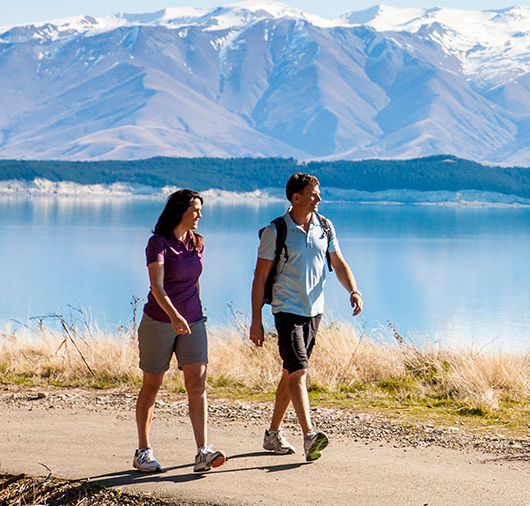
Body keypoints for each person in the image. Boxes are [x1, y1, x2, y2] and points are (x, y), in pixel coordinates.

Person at [250, 172, 362, 461]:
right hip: (286, 309)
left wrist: (353, 290)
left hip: (315, 311)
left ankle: (272, 434)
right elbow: (260, 277)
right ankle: (309, 434)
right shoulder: (276, 231)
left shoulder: (325, 226)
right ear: (296, 197)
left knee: (290, 372)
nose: (319, 198)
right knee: (299, 371)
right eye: (314, 193)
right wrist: (256, 321)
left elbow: (337, 262)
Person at [133, 189, 227, 473]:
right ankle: (143, 452)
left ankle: (203, 451)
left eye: (200, 210)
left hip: (194, 321)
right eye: (195, 210)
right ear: (180, 211)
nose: (200, 215)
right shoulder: (158, 243)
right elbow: (157, 288)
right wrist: (174, 315)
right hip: (160, 322)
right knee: (152, 386)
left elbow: (193, 281)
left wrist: (192, 312)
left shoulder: (198, 243)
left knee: (198, 384)